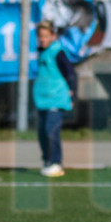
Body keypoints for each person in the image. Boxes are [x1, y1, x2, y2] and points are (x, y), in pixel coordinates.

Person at [33, 20, 76, 178]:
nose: (42, 39)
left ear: (53, 36)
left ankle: (56, 162)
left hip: (56, 98)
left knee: (51, 131)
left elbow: (70, 73)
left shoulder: (57, 52)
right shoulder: (42, 52)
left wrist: (73, 93)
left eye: (46, 36)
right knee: (42, 133)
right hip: (43, 100)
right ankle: (47, 161)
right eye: (40, 36)